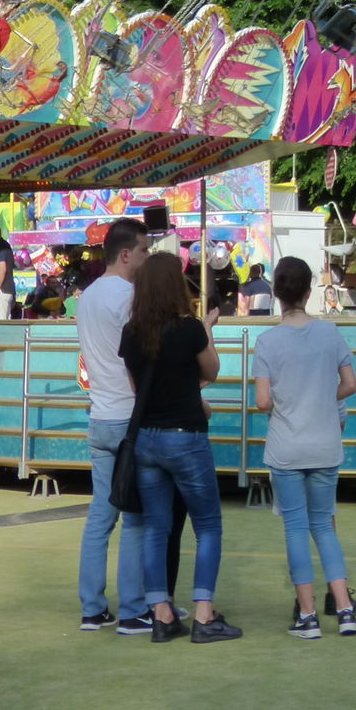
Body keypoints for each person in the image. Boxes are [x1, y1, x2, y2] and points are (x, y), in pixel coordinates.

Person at [118, 253, 238, 644]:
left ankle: (161, 613)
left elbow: (137, 387)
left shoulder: (132, 332)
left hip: (147, 438)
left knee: (156, 527)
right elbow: (211, 371)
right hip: (186, 436)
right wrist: (207, 330)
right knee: (208, 526)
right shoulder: (189, 329)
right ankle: (204, 614)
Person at [253, 257, 356, 638]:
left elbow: (263, 401)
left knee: (296, 529)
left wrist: (289, 400)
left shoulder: (267, 342)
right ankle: (345, 609)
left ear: (276, 293)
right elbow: (350, 385)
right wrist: (321, 398)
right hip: (325, 444)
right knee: (324, 527)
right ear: (308, 290)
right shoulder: (330, 333)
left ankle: (307, 615)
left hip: (286, 447)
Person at [75, 220, 151, 635]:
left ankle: (92, 608)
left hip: (100, 415)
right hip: (128, 417)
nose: (146, 257)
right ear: (125, 254)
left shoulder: (86, 297)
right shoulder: (130, 297)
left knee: (101, 516)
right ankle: (134, 608)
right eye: (143, 250)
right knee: (136, 518)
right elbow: (142, 357)